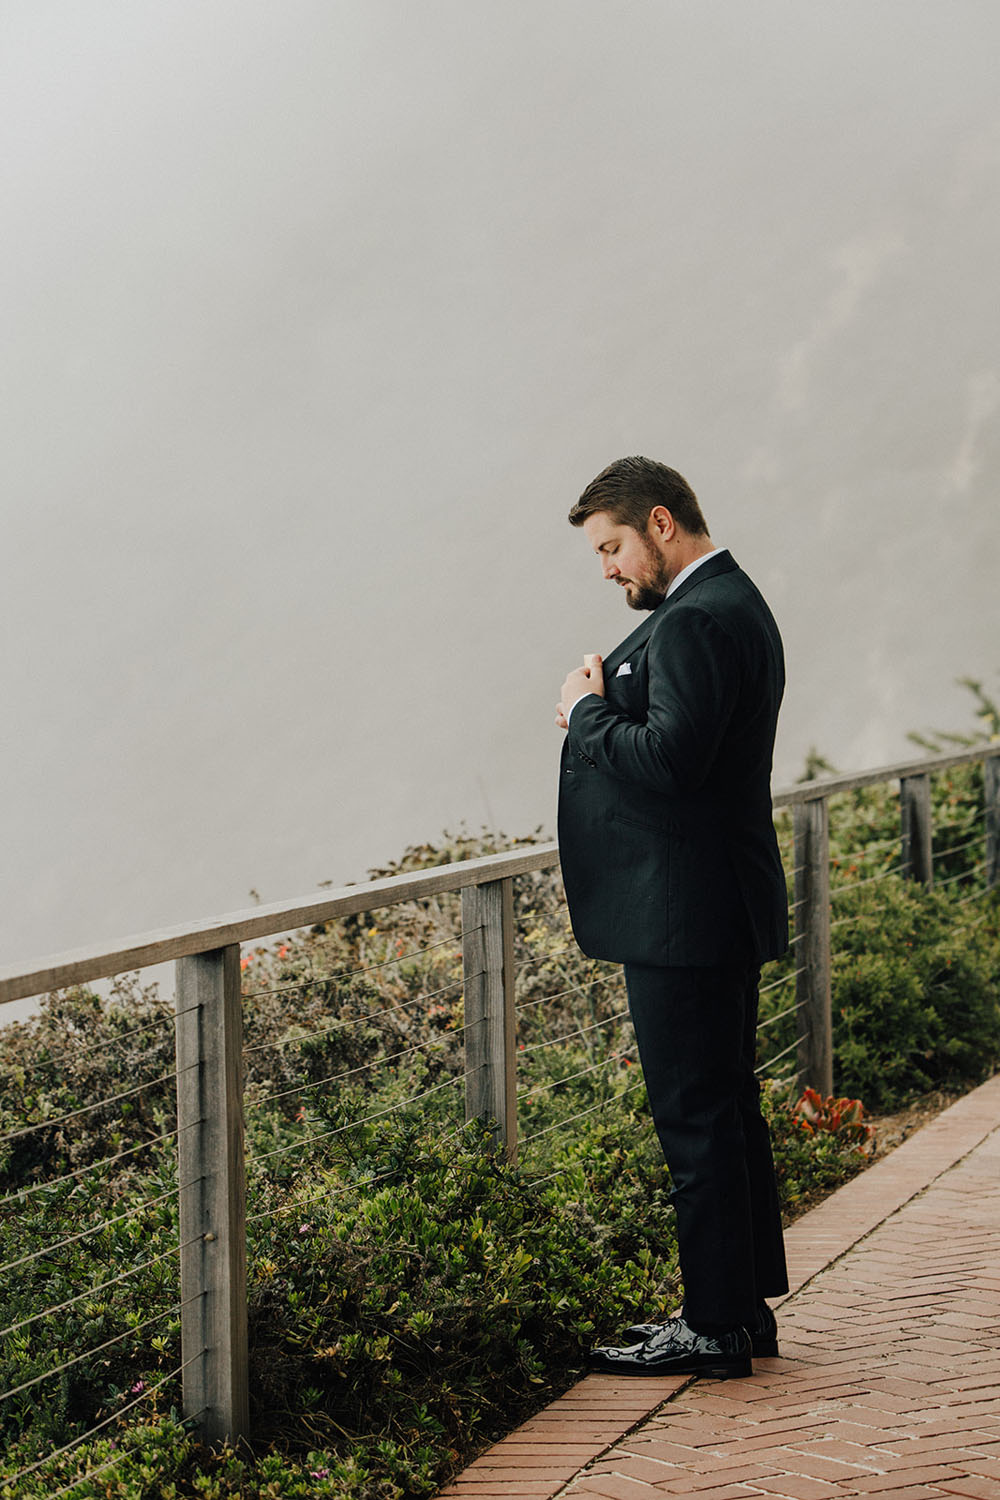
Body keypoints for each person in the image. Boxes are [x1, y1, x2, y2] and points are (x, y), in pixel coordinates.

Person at [555, 456, 789, 1380]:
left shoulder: (693, 621)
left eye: (611, 547)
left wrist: (583, 711)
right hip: (714, 904)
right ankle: (738, 1312)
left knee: (695, 1119)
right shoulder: (734, 602)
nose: (608, 569)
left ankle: (714, 1327)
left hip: (682, 916)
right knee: (726, 1112)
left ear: (659, 523)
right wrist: (613, 698)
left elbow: (670, 761)